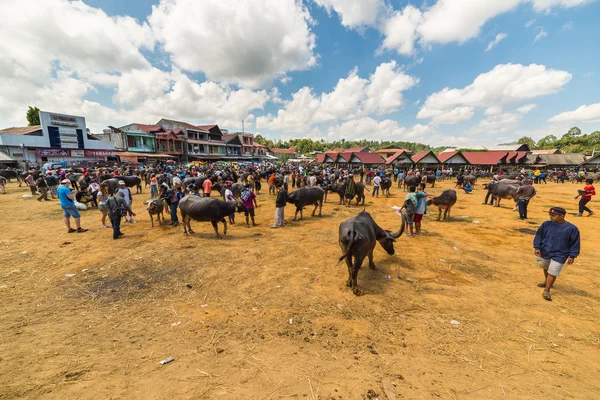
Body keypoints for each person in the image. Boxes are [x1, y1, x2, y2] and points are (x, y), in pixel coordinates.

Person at [533, 207, 580, 301]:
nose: (551, 217)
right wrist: (537, 247)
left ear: (562, 216)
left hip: (561, 254)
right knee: (544, 266)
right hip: (545, 251)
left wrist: (572, 256)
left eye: (553, 215)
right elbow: (539, 235)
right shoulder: (546, 224)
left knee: (553, 271)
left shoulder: (572, 229)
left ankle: (547, 290)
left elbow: (575, 243)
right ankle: (547, 281)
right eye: (550, 215)